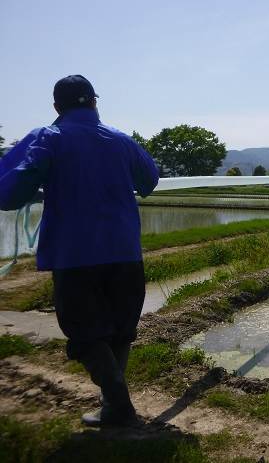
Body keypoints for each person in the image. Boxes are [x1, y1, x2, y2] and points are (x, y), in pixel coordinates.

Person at [0, 75, 159, 427]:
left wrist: (41, 186)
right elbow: (149, 181)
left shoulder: (49, 138)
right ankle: (114, 406)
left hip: (76, 255)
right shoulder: (121, 141)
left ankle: (118, 405)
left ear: (57, 107)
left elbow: (8, 193)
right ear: (95, 103)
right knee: (119, 329)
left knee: (86, 333)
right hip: (124, 252)